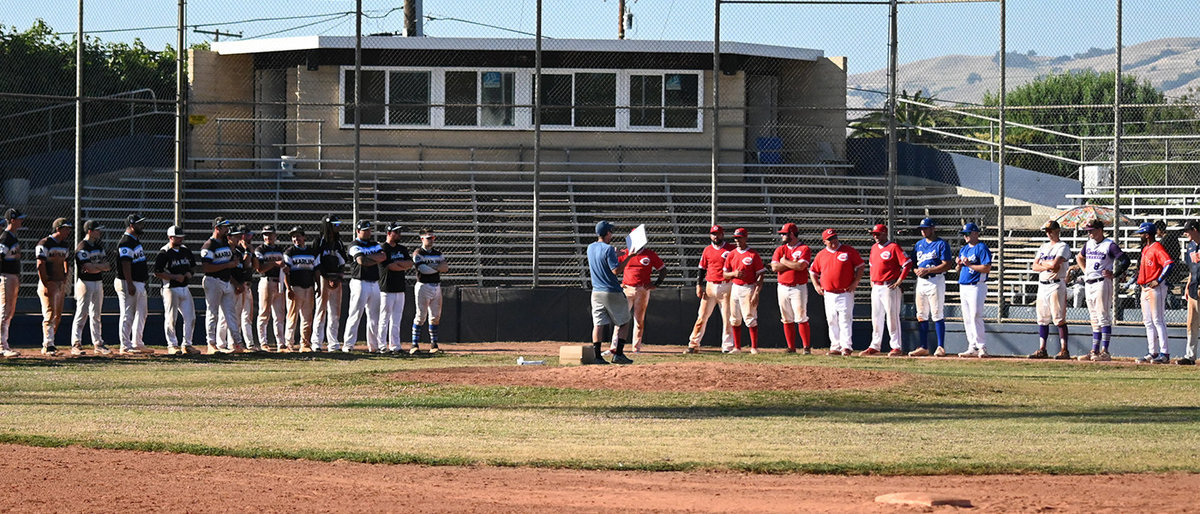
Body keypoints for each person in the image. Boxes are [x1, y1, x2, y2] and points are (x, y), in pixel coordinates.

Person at [1075, 219, 1127, 362]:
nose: (1089, 233)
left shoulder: (1109, 245)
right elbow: (1079, 257)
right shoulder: (1089, 244)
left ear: (1099, 230)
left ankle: (1105, 351)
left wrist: (1114, 274)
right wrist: (1085, 270)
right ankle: (1094, 351)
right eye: (1088, 231)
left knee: (1103, 316)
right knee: (1094, 318)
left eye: (1091, 230)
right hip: (1089, 283)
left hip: (1102, 282)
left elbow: (1125, 260)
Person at [809, 228, 865, 356]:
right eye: (829, 240)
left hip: (845, 291)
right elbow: (813, 271)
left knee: (845, 318)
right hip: (829, 293)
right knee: (832, 319)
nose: (833, 241)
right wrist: (816, 285)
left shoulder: (848, 251)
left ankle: (846, 346)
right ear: (824, 241)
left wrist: (855, 282)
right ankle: (835, 346)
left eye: (834, 238)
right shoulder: (821, 254)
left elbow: (861, 266)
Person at [685, 225, 736, 354]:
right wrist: (698, 285)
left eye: (718, 234)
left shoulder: (730, 249)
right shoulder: (707, 250)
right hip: (710, 286)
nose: (715, 236)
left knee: (727, 317)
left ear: (722, 234)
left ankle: (727, 346)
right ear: (710, 235)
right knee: (701, 317)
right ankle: (693, 344)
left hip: (726, 285)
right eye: (713, 234)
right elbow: (701, 268)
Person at [588, 221, 634, 364]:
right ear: (607, 233)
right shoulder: (608, 249)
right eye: (611, 232)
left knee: (598, 324)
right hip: (611, 291)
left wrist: (615, 254)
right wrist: (629, 257)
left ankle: (597, 356)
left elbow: (600, 258)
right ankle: (618, 354)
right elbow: (615, 271)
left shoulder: (590, 247)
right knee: (624, 322)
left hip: (596, 292)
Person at [908, 218, 953, 357]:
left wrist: (929, 270)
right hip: (921, 281)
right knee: (921, 314)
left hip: (936, 280)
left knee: (937, 313)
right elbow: (913, 263)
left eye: (926, 228)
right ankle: (923, 346)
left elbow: (947, 264)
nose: (923, 231)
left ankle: (940, 346)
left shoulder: (941, 244)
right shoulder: (919, 245)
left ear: (933, 228)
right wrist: (916, 270)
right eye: (922, 229)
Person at [1029, 220, 1073, 360]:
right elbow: (1034, 267)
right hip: (1043, 284)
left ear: (1057, 230)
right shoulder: (1043, 247)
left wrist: (1042, 264)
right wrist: (1046, 265)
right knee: (1042, 319)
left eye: (1051, 230)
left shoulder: (1063, 246)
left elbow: (1056, 265)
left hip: (1056, 284)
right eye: (1047, 231)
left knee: (1059, 318)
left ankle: (1064, 350)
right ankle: (1042, 349)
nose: (1048, 233)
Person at [864, 223, 910, 356]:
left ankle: (896, 346)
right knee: (876, 317)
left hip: (889, 285)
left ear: (885, 233)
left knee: (892, 316)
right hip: (877, 285)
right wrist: (872, 280)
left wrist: (900, 280)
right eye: (874, 234)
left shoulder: (893, 247)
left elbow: (907, 263)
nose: (875, 237)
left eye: (878, 234)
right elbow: (872, 265)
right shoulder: (874, 248)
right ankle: (875, 345)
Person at [201, 217, 244, 354]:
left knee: (231, 314)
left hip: (226, 281)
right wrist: (228, 265)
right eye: (224, 227)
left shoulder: (225, 243)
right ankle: (211, 344)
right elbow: (207, 267)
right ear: (217, 228)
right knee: (212, 313)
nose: (227, 230)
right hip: (213, 281)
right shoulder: (209, 245)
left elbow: (230, 260)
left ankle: (237, 344)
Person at [342, 220, 385, 353]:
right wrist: (374, 258)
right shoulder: (354, 245)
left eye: (369, 230)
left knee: (374, 317)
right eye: (364, 230)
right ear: (358, 231)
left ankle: (374, 346)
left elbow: (383, 256)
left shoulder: (374, 244)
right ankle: (348, 345)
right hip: (359, 282)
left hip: (374, 283)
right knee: (355, 314)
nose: (367, 232)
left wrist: (369, 258)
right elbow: (361, 261)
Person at [154, 225, 198, 355]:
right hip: (170, 288)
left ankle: (187, 345)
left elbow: (193, 266)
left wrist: (190, 274)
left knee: (191, 317)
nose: (180, 240)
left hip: (184, 287)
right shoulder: (164, 252)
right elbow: (157, 272)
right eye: (177, 237)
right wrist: (173, 277)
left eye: (181, 237)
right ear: (170, 237)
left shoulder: (185, 250)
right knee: (171, 318)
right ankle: (172, 345)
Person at [1134, 221, 1174, 364]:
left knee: (1158, 320)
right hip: (1144, 287)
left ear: (1147, 234)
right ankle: (1153, 352)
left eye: (1142, 233)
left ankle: (1164, 353)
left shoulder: (1157, 247)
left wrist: (1159, 279)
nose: (1140, 236)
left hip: (1155, 287)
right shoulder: (1145, 249)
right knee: (1148, 322)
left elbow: (1169, 264)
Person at [770, 222, 813, 354]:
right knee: (786, 317)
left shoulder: (804, 248)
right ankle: (791, 347)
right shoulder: (780, 249)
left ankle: (806, 347)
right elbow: (774, 267)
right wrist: (791, 264)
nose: (782, 236)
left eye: (784, 234)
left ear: (792, 234)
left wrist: (784, 262)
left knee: (801, 316)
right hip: (783, 286)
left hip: (798, 287)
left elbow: (801, 267)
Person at [617, 242, 666, 353]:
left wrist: (656, 284)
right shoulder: (625, 253)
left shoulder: (649, 254)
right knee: (620, 319)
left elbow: (663, 269)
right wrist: (617, 283)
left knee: (639, 320)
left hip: (642, 289)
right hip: (627, 288)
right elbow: (614, 269)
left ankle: (636, 348)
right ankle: (614, 347)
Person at [722, 227, 766, 354]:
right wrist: (734, 274)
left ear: (746, 238)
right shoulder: (732, 254)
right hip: (735, 287)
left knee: (750, 317)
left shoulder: (752, 254)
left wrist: (756, 292)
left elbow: (760, 274)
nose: (737, 240)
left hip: (748, 287)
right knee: (735, 318)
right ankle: (737, 347)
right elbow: (725, 274)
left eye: (740, 238)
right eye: (736, 238)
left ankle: (754, 347)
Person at [72, 220, 111, 355]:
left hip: (97, 282)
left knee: (96, 314)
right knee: (82, 313)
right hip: (85, 282)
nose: (99, 232)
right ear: (89, 231)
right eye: (97, 230)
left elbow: (107, 266)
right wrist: (98, 267)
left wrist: (97, 267)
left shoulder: (99, 246)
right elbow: (88, 268)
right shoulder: (82, 246)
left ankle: (98, 343)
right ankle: (76, 343)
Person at [36, 218, 73, 355]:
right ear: (58, 228)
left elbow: (66, 261)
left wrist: (64, 276)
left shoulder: (64, 244)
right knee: (49, 313)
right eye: (66, 228)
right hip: (49, 282)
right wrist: (46, 282)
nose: (68, 231)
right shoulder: (45, 243)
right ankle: (48, 344)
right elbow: (40, 264)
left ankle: (50, 341)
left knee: (57, 315)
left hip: (59, 283)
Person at [115, 214, 151, 355]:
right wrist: (129, 283)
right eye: (139, 224)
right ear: (131, 225)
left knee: (142, 312)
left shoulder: (135, 241)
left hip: (138, 282)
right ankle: (125, 345)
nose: (142, 226)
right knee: (127, 314)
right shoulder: (126, 242)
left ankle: (137, 342)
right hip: (127, 282)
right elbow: (125, 264)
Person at [955, 223, 992, 358]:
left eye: (968, 233)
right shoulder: (964, 249)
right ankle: (972, 346)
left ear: (975, 233)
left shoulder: (981, 248)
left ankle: (981, 346)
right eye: (964, 234)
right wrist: (959, 265)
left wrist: (970, 264)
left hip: (977, 284)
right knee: (967, 317)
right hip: (963, 285)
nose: (965, 236)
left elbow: (986, 268)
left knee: (976, 315)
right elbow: (958, 269)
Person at [412, 228, 450, 354]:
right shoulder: (418, 253)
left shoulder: (438, 253)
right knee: (421, 316)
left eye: (433, 238)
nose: (431, 240)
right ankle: (414, 345)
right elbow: (423, 269)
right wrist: (437, 268)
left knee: (435, 316)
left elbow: (445, 267)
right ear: (422, 239)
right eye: (429, 238)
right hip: (423, 286)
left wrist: (435, 267)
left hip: (436, 286)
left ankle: (434, 344)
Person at [282, 227, 320, 352]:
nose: (296, 239)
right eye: (293, 237)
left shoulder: (311, 252)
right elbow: (286, 272)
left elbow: (316, 270)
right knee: (292, 317)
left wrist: (318, 285)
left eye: (298, 236)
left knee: (307, 318)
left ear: (304, 237)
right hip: (295, 287)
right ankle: (289, 344)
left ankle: (305, 344)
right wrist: (288, 288)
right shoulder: (289, 252)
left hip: (308, 287)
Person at [312, 215, 347, 352]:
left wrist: (338, 277)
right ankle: (317, 342)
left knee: (335, 312)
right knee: (321, 311)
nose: (338, 226)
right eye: (335, 224)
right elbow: (316, 263)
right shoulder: (319, 242)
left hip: (336, 279)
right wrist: (326, 279)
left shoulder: (338, 243)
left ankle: (333, 343)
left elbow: (343, 262)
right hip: (322, 278)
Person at [220, 225, 257, 352]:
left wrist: (249, 251)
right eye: (236, 236)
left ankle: (235, 344)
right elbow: (226, 270)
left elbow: (247, 266)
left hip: (241, 285)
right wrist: (236, 284)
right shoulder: (226, 251)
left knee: (238, 316)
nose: (239, 238)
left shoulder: (239, 252)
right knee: (224, 316)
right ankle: (221, 345)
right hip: (229, 284)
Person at [378, 223, 414, 354]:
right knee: (384, 318)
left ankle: (395, 345)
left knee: (396, 319)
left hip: (400, 288)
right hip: (386, 288)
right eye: (396, 232)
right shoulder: (383, 248)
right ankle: (382, 345)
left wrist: (399, 264)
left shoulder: (402, 249)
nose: (399, 234)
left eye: (400, 232)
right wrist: (401, 265)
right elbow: (389, 266)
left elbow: (410, 264)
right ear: (389, 233)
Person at [254, 225, 287, 351]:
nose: (268, 237)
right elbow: (260, 268)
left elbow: (284, 265)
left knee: (279, 314)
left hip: (279, 281)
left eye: (270, 234)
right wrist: (274, 263)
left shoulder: (279, 249)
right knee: (264, 313)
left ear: (275, 235)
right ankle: (263, 343)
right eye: (266, 234)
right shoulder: (260, 249)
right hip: (266, 281)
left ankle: (281, 343)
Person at [0, 208, 24, 358]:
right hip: (6, 276)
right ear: (13, 220)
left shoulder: (12, 237)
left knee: (9, 311)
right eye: (20, 219)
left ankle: (4, 344)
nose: (22, 221)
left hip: (12, 276)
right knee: (5, 310)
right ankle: (2, 346)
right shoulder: (6, 237)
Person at [1178, 220, 1200, 365]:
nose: (1186, 233)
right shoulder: (1191, 246)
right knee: (1191, 323)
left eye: (1188, 230)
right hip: (1193, 287)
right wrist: (1187, 285)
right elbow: (1192, 268)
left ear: (1195, 229)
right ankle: (1190, 355)